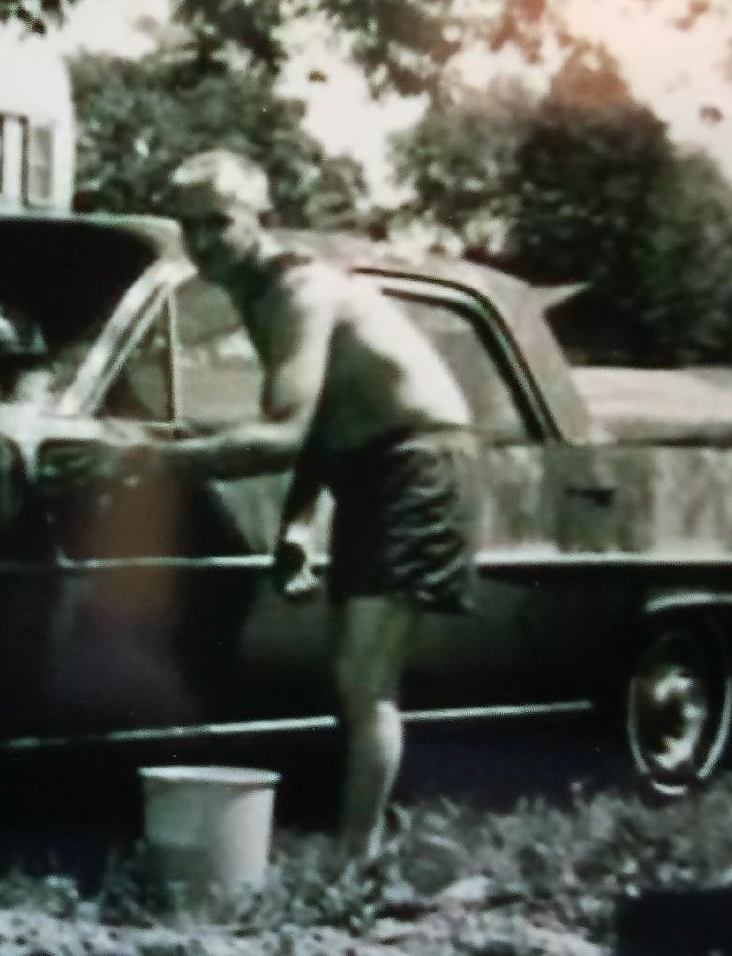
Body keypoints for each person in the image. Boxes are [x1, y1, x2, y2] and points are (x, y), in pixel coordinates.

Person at [48, 149, 481, 859]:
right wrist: (299, 521)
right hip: (369, 464)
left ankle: (357, 860)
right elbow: (321, 417)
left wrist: (148, 458)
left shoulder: (296, 293)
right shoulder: (255, 294)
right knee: (355, 673)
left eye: (220, 222)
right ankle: (359, 843)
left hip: (417, 460)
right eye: (191, 227)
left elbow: (281, 436)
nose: (206, 242)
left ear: (264, 220)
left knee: (364, 678)